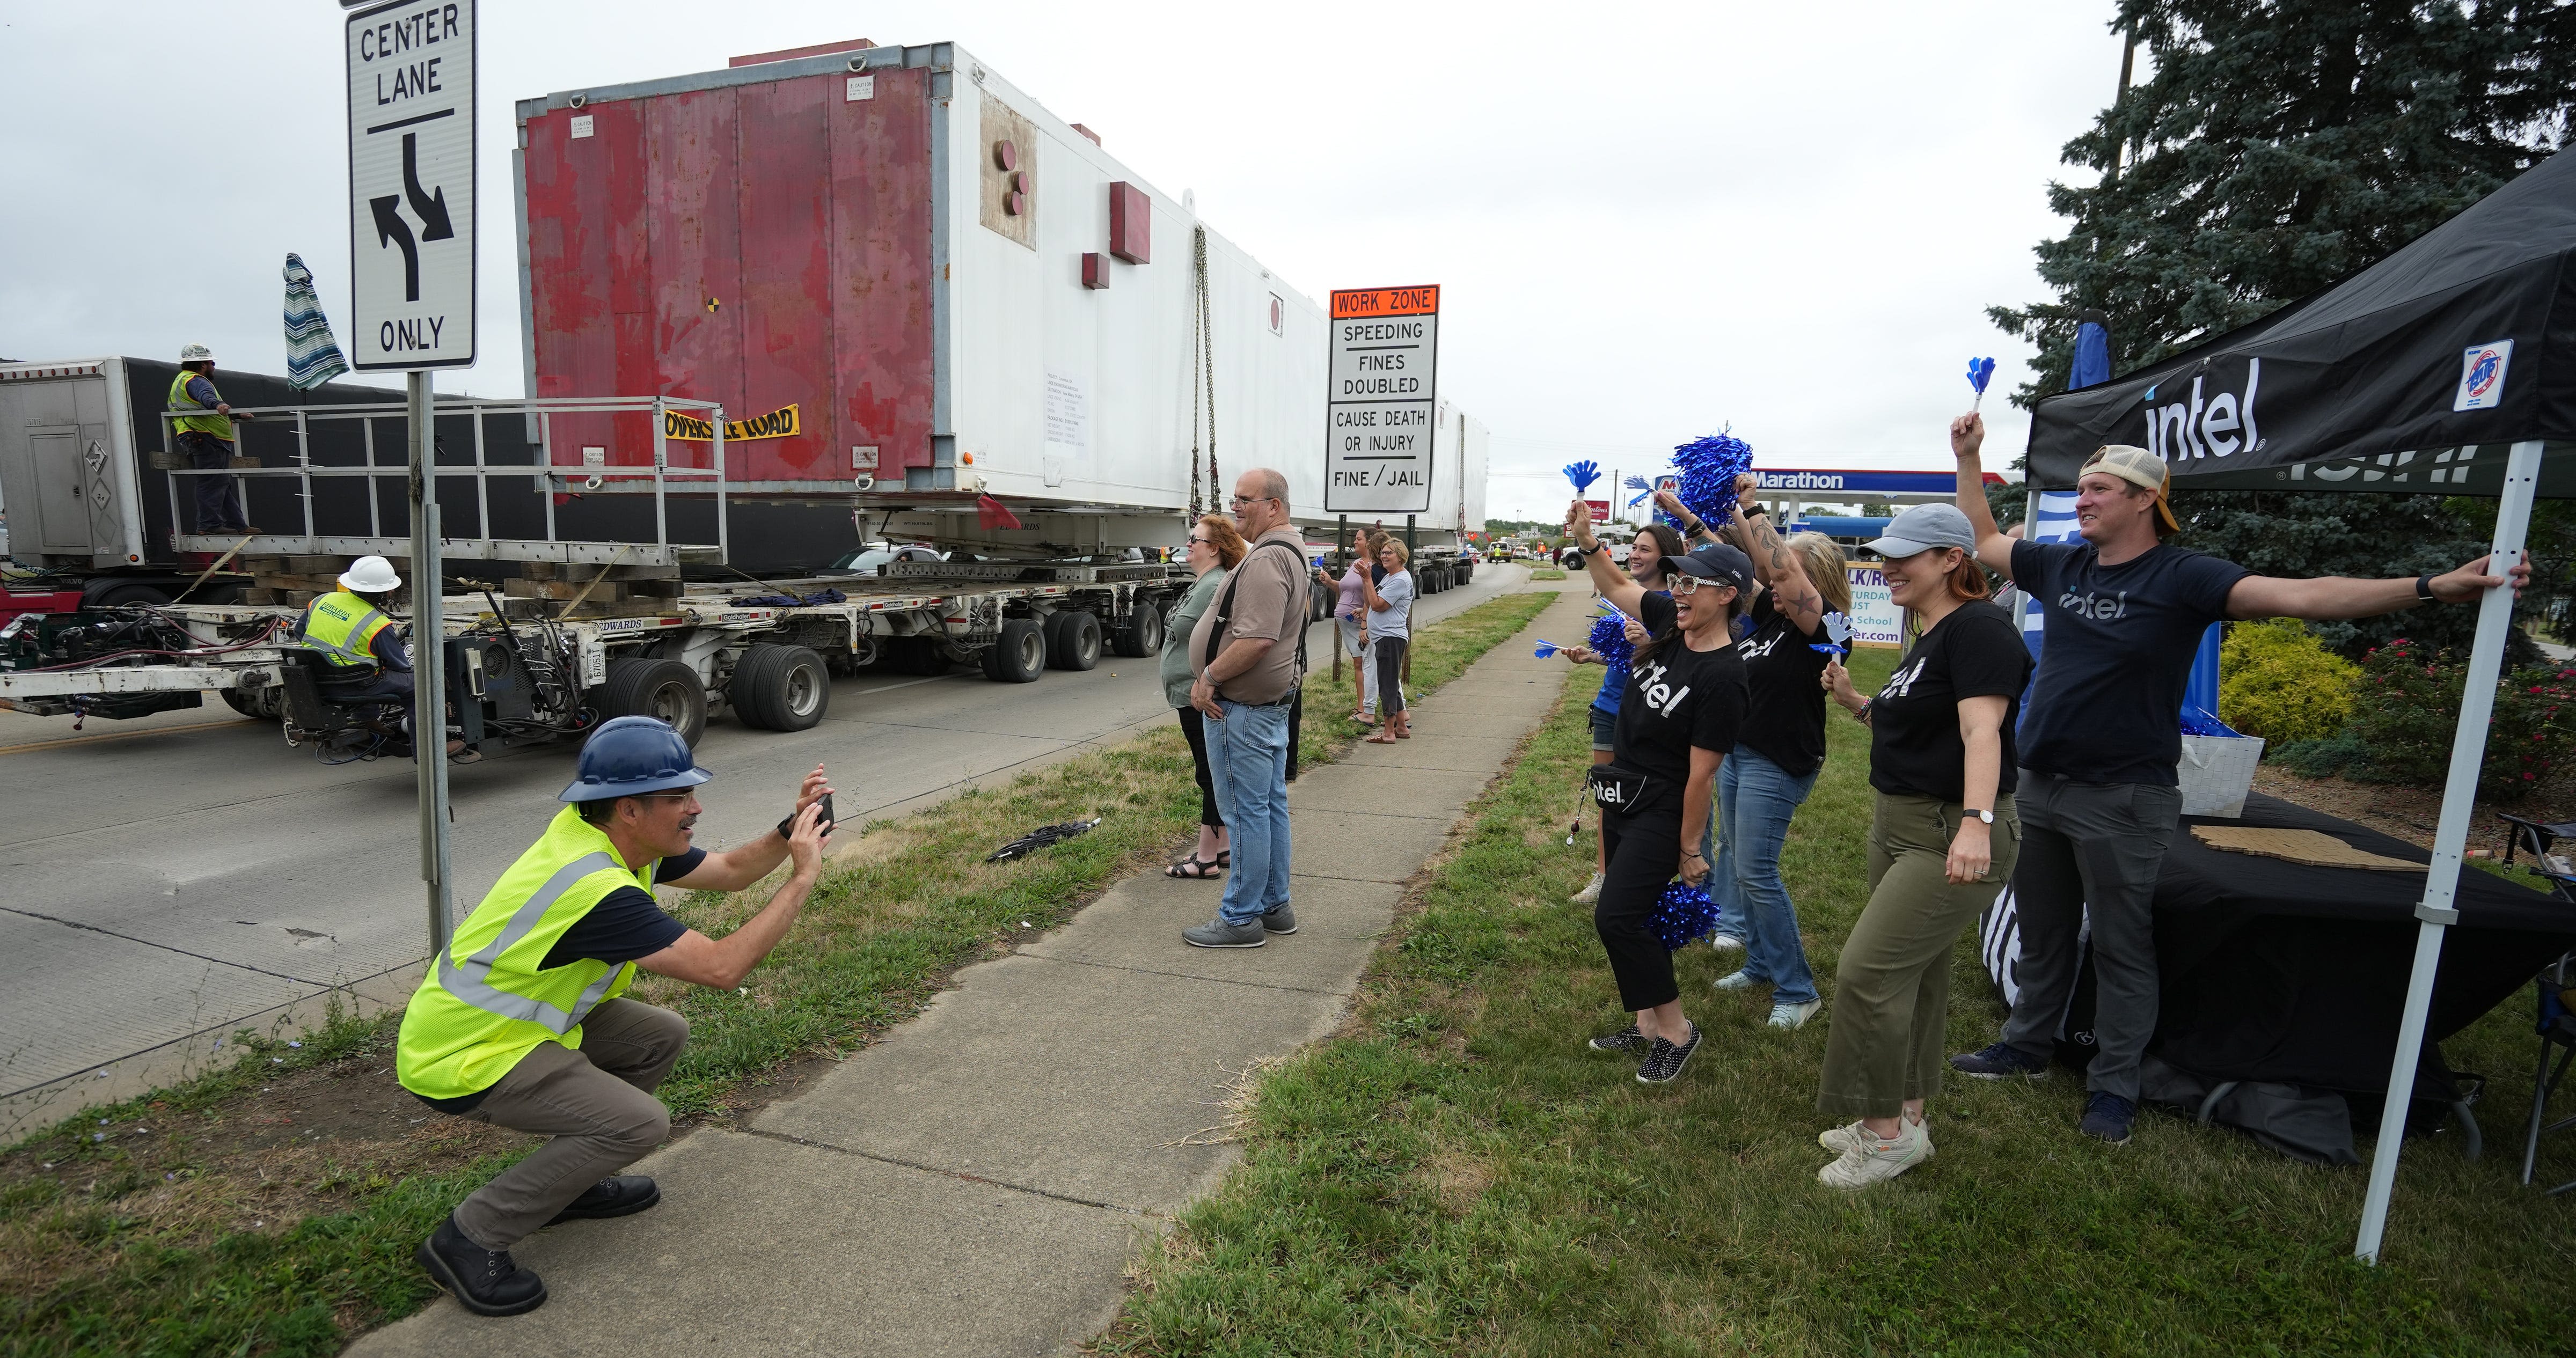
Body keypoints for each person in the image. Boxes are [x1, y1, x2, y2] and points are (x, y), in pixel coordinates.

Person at [1945, 413, 2529, 1144]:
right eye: (2082, 487)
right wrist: (1968, 458)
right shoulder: (2061, 566)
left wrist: (2428, 585)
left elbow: (2307, 595)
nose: (2083, 498)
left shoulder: (2184, 575)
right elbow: (1986, 536)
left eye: (2098, 489)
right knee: (2047, 931)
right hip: (2046, 783)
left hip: (2125, 795)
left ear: (2143, 500)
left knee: (2124, 947)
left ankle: (2114, 1086)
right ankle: (2027, 1045)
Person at [398, 717, 833, 1315]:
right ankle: (471, 1235)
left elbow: (731, 873)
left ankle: (569, 1183)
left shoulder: (609, 837)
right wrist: (804, 873)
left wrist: (792, 830)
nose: (696, 806)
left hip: (515, 1028)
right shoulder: (596, 889)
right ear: (629, 808)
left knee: (659, 1035)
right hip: (465, 1053)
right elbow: (721, 967)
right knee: (638, 1124)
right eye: (679, 795)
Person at [1811, 502, 2028, 1189]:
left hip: (1945, 830)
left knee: (1868, 972)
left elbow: (1980, 734)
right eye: (1885, 553)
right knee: (1915, 975)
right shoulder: (1934, 631)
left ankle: (1884, 1139)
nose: (1887, 566)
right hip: (1902, 824)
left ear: (1951, 560)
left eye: (1905, 555)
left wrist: (1976, 821)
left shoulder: (1981, 629)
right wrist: (1854, 701)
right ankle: (1904, 1116)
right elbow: (1916, 723)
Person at [1564, 498, 1751, 1083]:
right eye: (1678, 580)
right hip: (1624, 791)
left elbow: (1702, 775)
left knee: (1618, 916)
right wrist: (1588, 539)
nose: (1680, 589)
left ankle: (1677, 1029)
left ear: (1729, 594)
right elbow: (1617, 584)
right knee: (1638, 914)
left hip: (1663, 808)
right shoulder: (1674, 620)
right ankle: (1647, 1022)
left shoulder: (1724, 674)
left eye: (1694, 582)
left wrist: (1689, 847)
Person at [1653, 479, 1848, 1030]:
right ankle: (1761, 962)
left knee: (1759, 872)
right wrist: (1684, 510)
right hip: (1740, 751)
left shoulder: (1830, 628)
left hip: (1779, 759)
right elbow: (1727, 558)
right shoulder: (1771, 618)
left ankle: (1798, 987)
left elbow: (1780, 569)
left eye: (1784, 571)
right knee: (1740, 860)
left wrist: (1755, 506)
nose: (1771, 577)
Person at [1182, 468, 1309, 948]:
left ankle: (1240, 917)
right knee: (1269, 808)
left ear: (1273, 506)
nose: (1234, 506)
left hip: (1242, 711)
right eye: (1233, 498)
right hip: (1265, 708)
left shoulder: (1267, 560)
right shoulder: (1290, 551)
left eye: (1245, 499)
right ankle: (1275, 905)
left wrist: (1209, 678)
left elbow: (1257, 638)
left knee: (1245, 814)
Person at [1563, 523, 1685, 904]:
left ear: (1665, 557)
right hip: (1609, 707)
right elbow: (1624, 658)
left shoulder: (1676, 605)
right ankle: (1604, 876)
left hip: (1649, 716)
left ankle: (1654, 880)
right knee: (1608, 796)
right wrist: (1592, 656)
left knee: (1647, 800)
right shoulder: (1626, 600)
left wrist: (1648, 643)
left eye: (1644, 549)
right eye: (1633, 547)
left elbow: (1677, 663)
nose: (1634, 554)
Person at [290, 554, 471, 759]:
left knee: (364, 667)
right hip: (356, 685)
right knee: (421, 685)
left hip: (317, 682)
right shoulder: (376, 624)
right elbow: (400, 665)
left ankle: (367, 720)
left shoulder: (321, 601)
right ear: (381, 594)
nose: (393, 591)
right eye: (390, 588)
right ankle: (426, 749)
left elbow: (300, 632)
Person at [1165, 513, 1245, 878]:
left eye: (1195, 539)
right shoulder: (1203, 581)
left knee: (1210, 775)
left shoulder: (1216, 584)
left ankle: (1206, 858)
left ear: (1214, 548)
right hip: (1187, 693)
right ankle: (1225, 848)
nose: (1189, 543)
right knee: (1212, 772)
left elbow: (1224, 640)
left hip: (1200, 695)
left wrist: (1205, 678)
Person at [169, 343, 255, 534]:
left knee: (220, 481)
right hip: (206, 436)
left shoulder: (182, 380)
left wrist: (234, 416)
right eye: (212, 363)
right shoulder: (197, 380)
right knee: (212, 481)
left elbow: (197, 408)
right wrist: (220, 404)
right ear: (203, 365)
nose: (214, 366)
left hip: (198, 435)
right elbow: (206, 398)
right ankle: (209, 525)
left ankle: (237, 524)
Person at [1359, 537, 1417, 743]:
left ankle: (1388, 733)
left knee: (1387, 686)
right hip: (1384, 637)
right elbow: (1371, 600)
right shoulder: (1390, 577)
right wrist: (1363, 610)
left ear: (1400, 556)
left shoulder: (1401, 579)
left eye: (1388, 553)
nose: (1383, 556)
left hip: (1390, 637)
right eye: (1383, 553)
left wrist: (1367, 579)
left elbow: (1378, 605)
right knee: (1390, 682)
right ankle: (1401, 728)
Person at [1326, 528, 1377, 724]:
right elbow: (1346, 588)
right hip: (1347, 623)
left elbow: (1369, 595)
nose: (1354, 542)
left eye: (1358, 539)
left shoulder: (1372, 567)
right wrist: (1331, 582)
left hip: (1359, 624)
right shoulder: (1357, 564)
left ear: (1370, 542)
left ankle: (1365, 708)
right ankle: (1361, 705)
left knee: (1365, 664)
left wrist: (1364, 619)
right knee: (1359, 663)